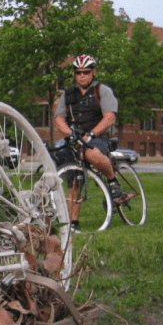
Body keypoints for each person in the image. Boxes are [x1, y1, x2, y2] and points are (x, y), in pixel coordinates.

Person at [54, 54, 124, 229]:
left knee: (91, 154)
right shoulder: (68, 95)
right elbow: (59, 119)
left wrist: (91, 134)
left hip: (97, 137)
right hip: (75, 139)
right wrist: (70, 134)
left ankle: (113, 181)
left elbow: (109, 118)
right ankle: (73, 223)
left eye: (86, 72)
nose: (82, 76)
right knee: (74, 182)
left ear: (94, 72)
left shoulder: (102, 91)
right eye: (78, 72)